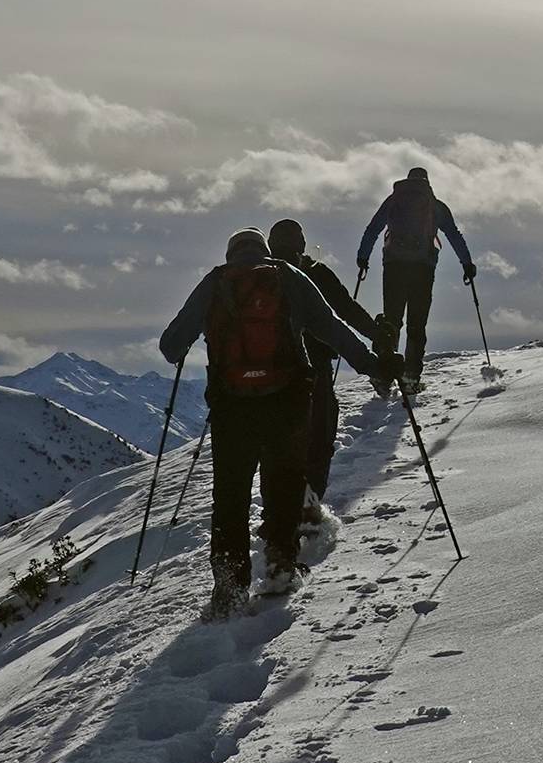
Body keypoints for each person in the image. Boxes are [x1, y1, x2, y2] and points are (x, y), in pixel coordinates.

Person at [161, 227, 388, 616]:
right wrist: (372, 364)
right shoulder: (288, 277)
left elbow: (170, 346)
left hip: (233, 409)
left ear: (231, 254)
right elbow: (331, 328)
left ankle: (230, 587)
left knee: (230, 497)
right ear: (264, 251)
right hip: (287, 402)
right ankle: (282, 564)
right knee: (283, 483)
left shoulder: (216, 282)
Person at [267, 217, 383, 524]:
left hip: (267, 376)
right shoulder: (315, 273)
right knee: (318, 436)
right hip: (313, 368)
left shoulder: (256, 276)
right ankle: (309, 505)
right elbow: (344, 312)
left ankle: (276, 516)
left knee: (277, 444)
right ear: (302, 246)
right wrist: (377, 336)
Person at [356, 166, 476, 378]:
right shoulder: (435, 206)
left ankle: (384, 373)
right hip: (423, 268)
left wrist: (363, 257)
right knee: (417, 322)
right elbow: (454, 235)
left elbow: (373, 228)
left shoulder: (393, 201)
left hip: (394, 266)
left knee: (392, 320)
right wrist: (467, 263)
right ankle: (411, 375)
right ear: (427, 182)